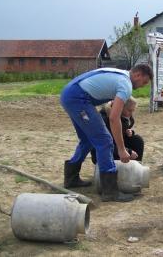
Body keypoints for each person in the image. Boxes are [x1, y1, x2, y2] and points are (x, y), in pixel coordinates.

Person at [60, 64, 152, 202]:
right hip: (78, 98)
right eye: (144, 82)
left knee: (87, 140)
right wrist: (121, 150)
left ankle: (71, 179)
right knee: (104, 140)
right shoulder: (126, 84)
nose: (143, 86)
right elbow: (114, 118)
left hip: (70, 93)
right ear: (138, 75)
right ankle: (110, 191)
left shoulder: (120, 75)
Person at [90, 96, 144, 164]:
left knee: (137, 140)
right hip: (103, 151)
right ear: (120, 107)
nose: (131, 114)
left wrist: (130, 132)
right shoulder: (104, 119)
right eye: (129, 110)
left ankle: (135, 167)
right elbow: (105, 143)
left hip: (116, 147)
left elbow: (122, 133)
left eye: (133, 110)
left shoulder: (124, 116)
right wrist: (128, 151)